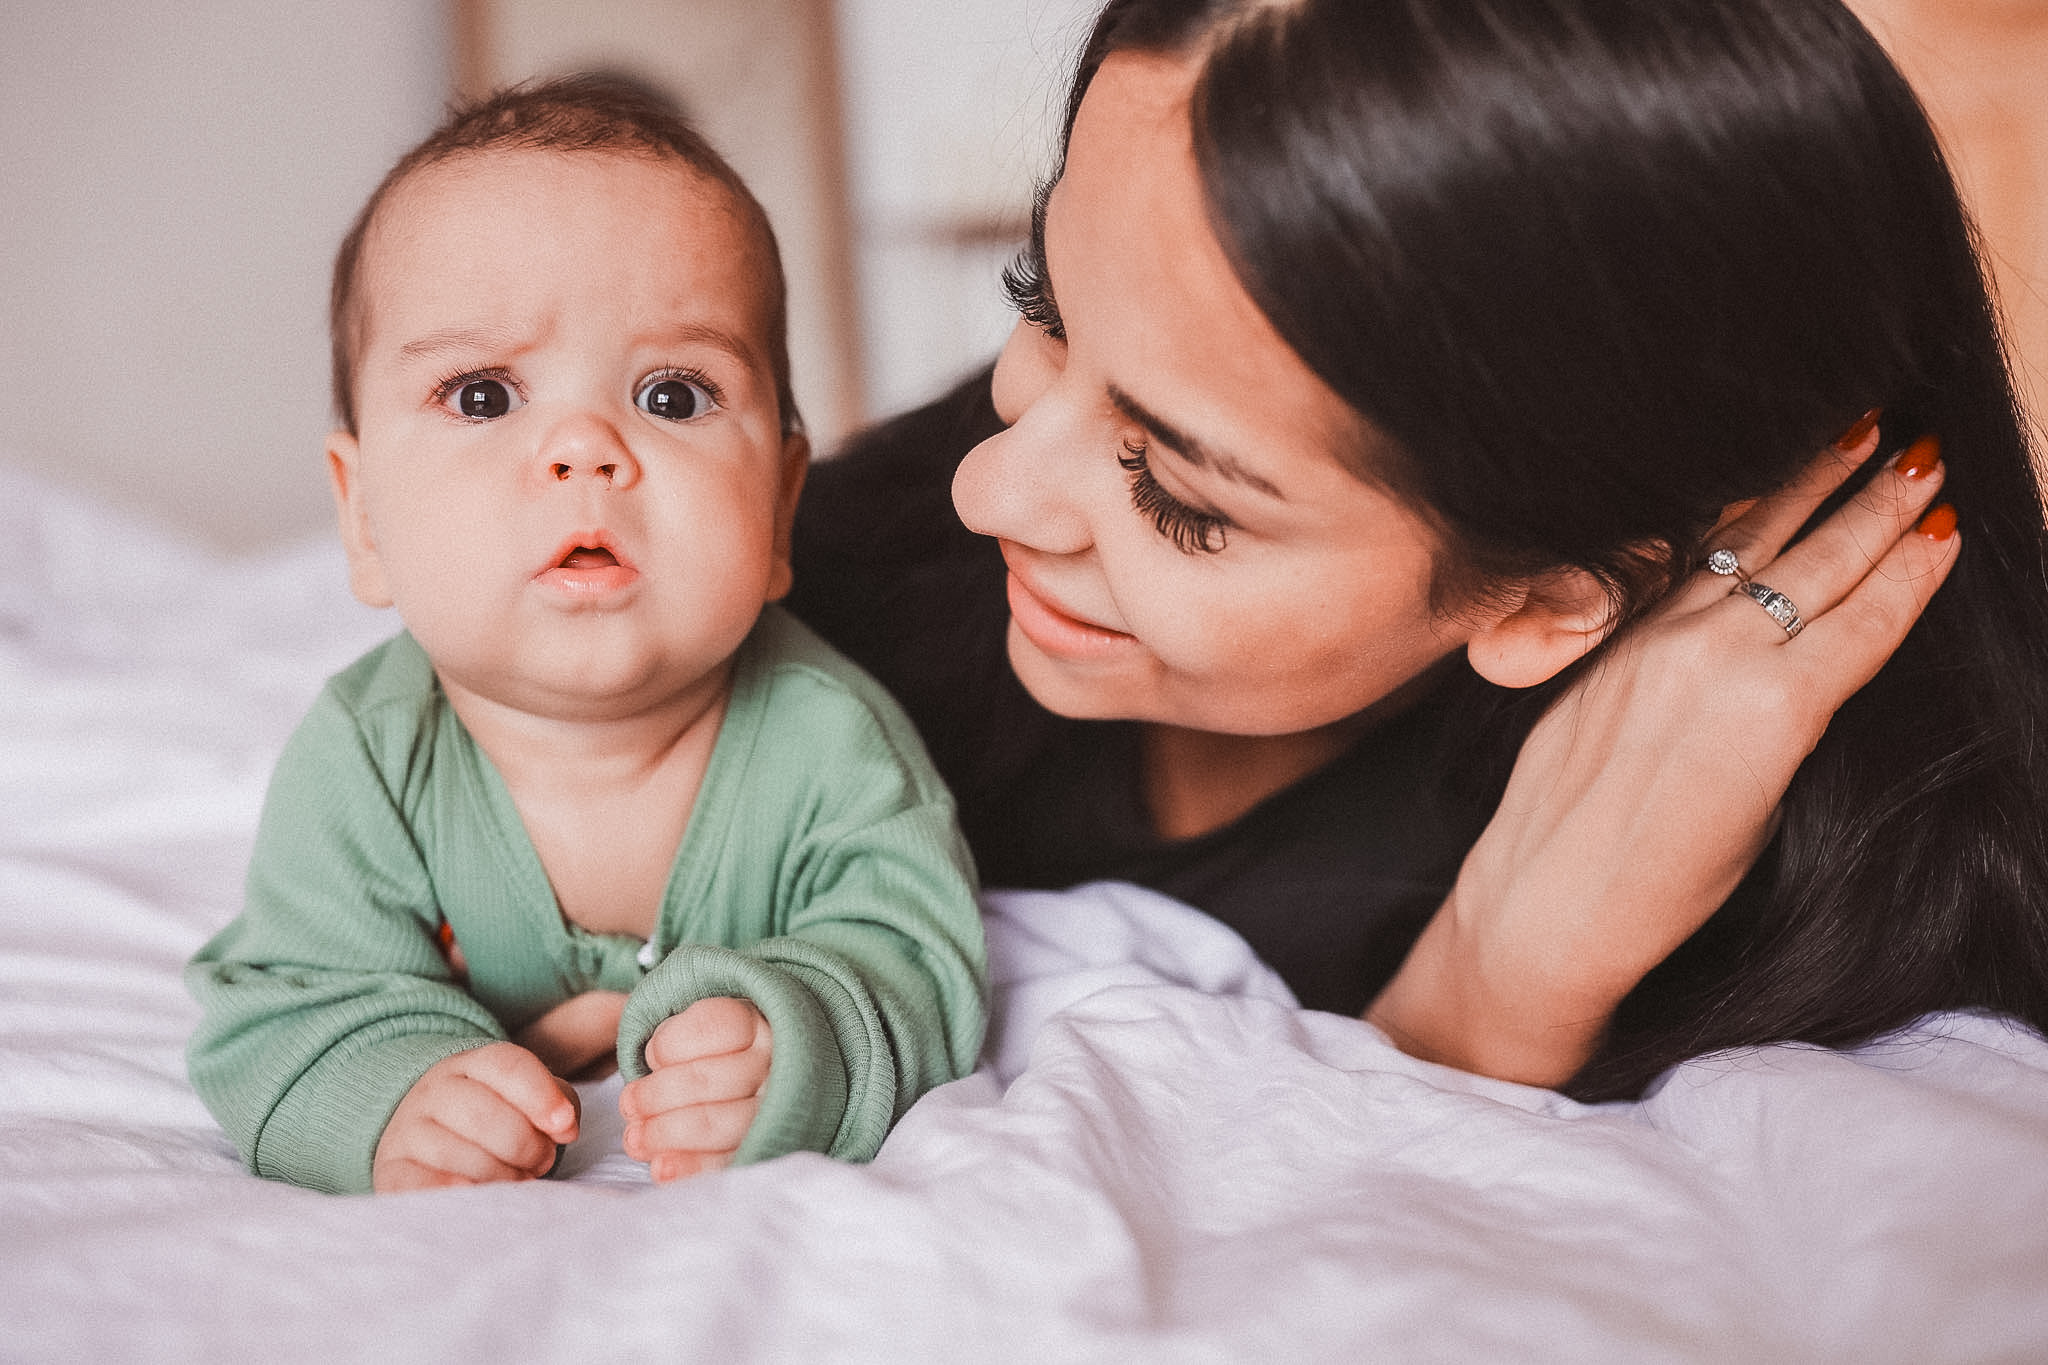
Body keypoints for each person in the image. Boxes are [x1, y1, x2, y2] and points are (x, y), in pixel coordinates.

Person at [791, 0, 2048, 1099]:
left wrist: (1490, 999)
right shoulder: (849, 569)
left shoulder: (1832, 972)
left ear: (1549, 600)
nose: (984, 488)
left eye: (1176, 494)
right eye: (1044, 311)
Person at [186, 77, 987, 1195]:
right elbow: (290, 999)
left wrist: (792, 1044)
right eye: (481, 396)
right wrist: (392, 1093)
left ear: (778, 509)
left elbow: (918, 965)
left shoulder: (833, 742)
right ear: (361, 515)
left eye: (673, 396)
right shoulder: (368, 756)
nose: (583, 449)